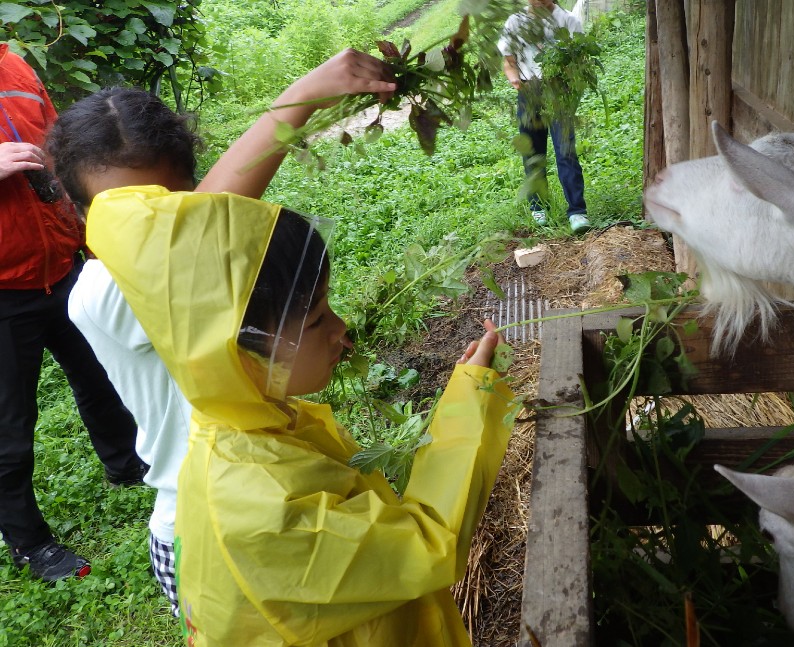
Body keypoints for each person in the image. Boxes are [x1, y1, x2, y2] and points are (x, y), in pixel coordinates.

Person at [47, 48, 397, 614]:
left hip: (279, 494)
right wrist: (300, 97)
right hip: (205, 526)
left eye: (168, 209)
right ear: (83, 211)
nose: (158, 234)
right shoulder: (100, 295)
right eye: (131, 217)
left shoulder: (226, 256)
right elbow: (210, 216)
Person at [86, 186, 517, 646]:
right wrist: (472, 394)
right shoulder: (260, 504)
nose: (340, 329)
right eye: (315, 320)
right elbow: (427, 543)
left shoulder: (255, 424)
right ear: (235, 350)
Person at [0, 43, 146, 582]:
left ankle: (125, 463)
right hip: (3, 288)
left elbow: (59, 150)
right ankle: (29, 543)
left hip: (60, 262)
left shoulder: (12, 63)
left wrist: (87, 233)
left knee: (99, 374)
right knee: (9, 425)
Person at [498, 0, 592, 234]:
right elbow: (508, 61)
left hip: (560, 94)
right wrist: (514, 77)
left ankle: (577, 211)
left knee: (566, 152)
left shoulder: (569, 21)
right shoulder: (515, 22)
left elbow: (578, 61)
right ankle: (538, 207)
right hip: (529, 93)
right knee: (534, 153)